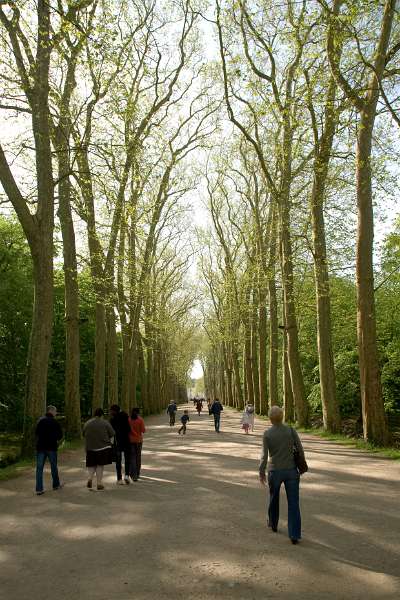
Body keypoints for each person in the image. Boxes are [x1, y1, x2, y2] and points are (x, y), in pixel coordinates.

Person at [259, 405, 305, 545]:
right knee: (293, 503)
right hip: (291, 470)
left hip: (275, 471)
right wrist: (301, 464)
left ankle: (273, 523)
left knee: (274, 498)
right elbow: (300, 449)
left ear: (270, 419)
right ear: (282, 416)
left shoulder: (267, 434)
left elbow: (264, 456)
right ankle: (294, 534)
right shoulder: (291, 430)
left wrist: (261, 471)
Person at [83, 408, 115, 491]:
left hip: (90, 447)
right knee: (100, 465)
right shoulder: (105, 422)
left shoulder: (87, 423)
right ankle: (99, 483)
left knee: (91, 465)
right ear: (102, 415)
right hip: (102, 447)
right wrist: (111, 444)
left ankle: (90, 478)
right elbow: (112, 434)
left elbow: (84, 434)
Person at [35, 405, 63, 495]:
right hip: (51, 447)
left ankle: (39, 489)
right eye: (55, 411)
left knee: (39, 468)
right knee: (53, 467)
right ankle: (56, 485)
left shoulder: (40, 421)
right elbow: (60, 435)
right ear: (51, 411)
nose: (56, 413)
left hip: (41, 447)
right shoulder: (55, 422)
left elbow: (36, 433)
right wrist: (54, 439)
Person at [109, 404, 131, 485]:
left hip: (117, 442)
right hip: (126, 441)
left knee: (118, 460)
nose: (110, 412)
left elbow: (111, 432)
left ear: (114, 410)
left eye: (111, 410)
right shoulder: (125, 416)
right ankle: (127, 475)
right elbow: (129, 429)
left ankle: (119, 479)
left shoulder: (112, 419)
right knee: (127, 459)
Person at [128, 407, 146, 481]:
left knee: (132, 457)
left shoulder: (128, 419)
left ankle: (132, 474)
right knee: (138, 457)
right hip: (138, 441)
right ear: (138, 412)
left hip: (130, 441)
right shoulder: (140, 419)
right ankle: (137, 473)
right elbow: (143, 430)